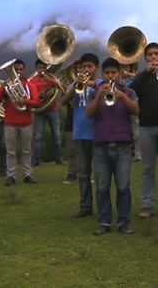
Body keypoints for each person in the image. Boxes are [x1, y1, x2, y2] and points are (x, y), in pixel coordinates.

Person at [87, 58, 139, 235]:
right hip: (100, 145)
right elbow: (89, 113)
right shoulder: (95, 91)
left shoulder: (129, 91)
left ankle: (124, 221)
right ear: (102, 74)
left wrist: (123, 97)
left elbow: (136, 110)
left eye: (114, 73)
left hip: (123, 144)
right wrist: (98, 96)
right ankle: (104, 222)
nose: (110, 76)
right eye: (107, 73)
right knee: (102, 187)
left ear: (119, 74)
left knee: (123, 186)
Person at [131, 42, 158, 218]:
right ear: (145, 58)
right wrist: (146, 73)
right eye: (150, 55)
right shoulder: (142, 77)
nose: (153, 57)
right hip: (146, 127)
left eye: (156, 54)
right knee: (147, 169)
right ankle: (146, 205)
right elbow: (132, 90)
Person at [0, 59, 39, 185]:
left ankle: (27, 175)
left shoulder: (30, 85)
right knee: (10, 151)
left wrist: (24, 101)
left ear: (24, 70)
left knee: (26, 151)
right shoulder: (7, 86)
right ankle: (11, 176)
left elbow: (36, 102)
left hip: (26, 122)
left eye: (20, 70)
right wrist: (3, 87)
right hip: (10, 123)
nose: (18, 72)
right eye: (15, 70)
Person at [65, 54, 98, 218]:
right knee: (83, 173)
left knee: (99, 173)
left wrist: (92, 85)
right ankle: (85, 207)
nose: (86, 70)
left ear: (96, 68)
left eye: (89, 66)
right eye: (83, 67)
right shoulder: (75, 84)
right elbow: (64, 100)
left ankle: (102, 206)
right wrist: (75, 86)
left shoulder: (100, 84)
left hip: (97, 134)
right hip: (79, 133)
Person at [30, 59, 64, 166]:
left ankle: (59, 159)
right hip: (39, 110)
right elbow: (30, 96)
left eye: (44, 68)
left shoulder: (51, 77)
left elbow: (61, 87)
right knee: (38, 137)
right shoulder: (32, 81)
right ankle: (36, 160)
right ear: (36, 69)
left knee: (56, 136)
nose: (42, 70)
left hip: (52, 109)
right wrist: (39, 95)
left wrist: (52, 80)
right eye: (40, 68)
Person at [62, 59, 82, 182]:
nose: (78, 70)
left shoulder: (90, 84)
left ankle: (85, 172)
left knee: (85, 149)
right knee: (71, 150)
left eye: (80, 68)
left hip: (84, 119)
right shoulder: (68, 85)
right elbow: (64, 101)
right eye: (75, 68)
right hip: (71, 119)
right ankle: (71, 172)